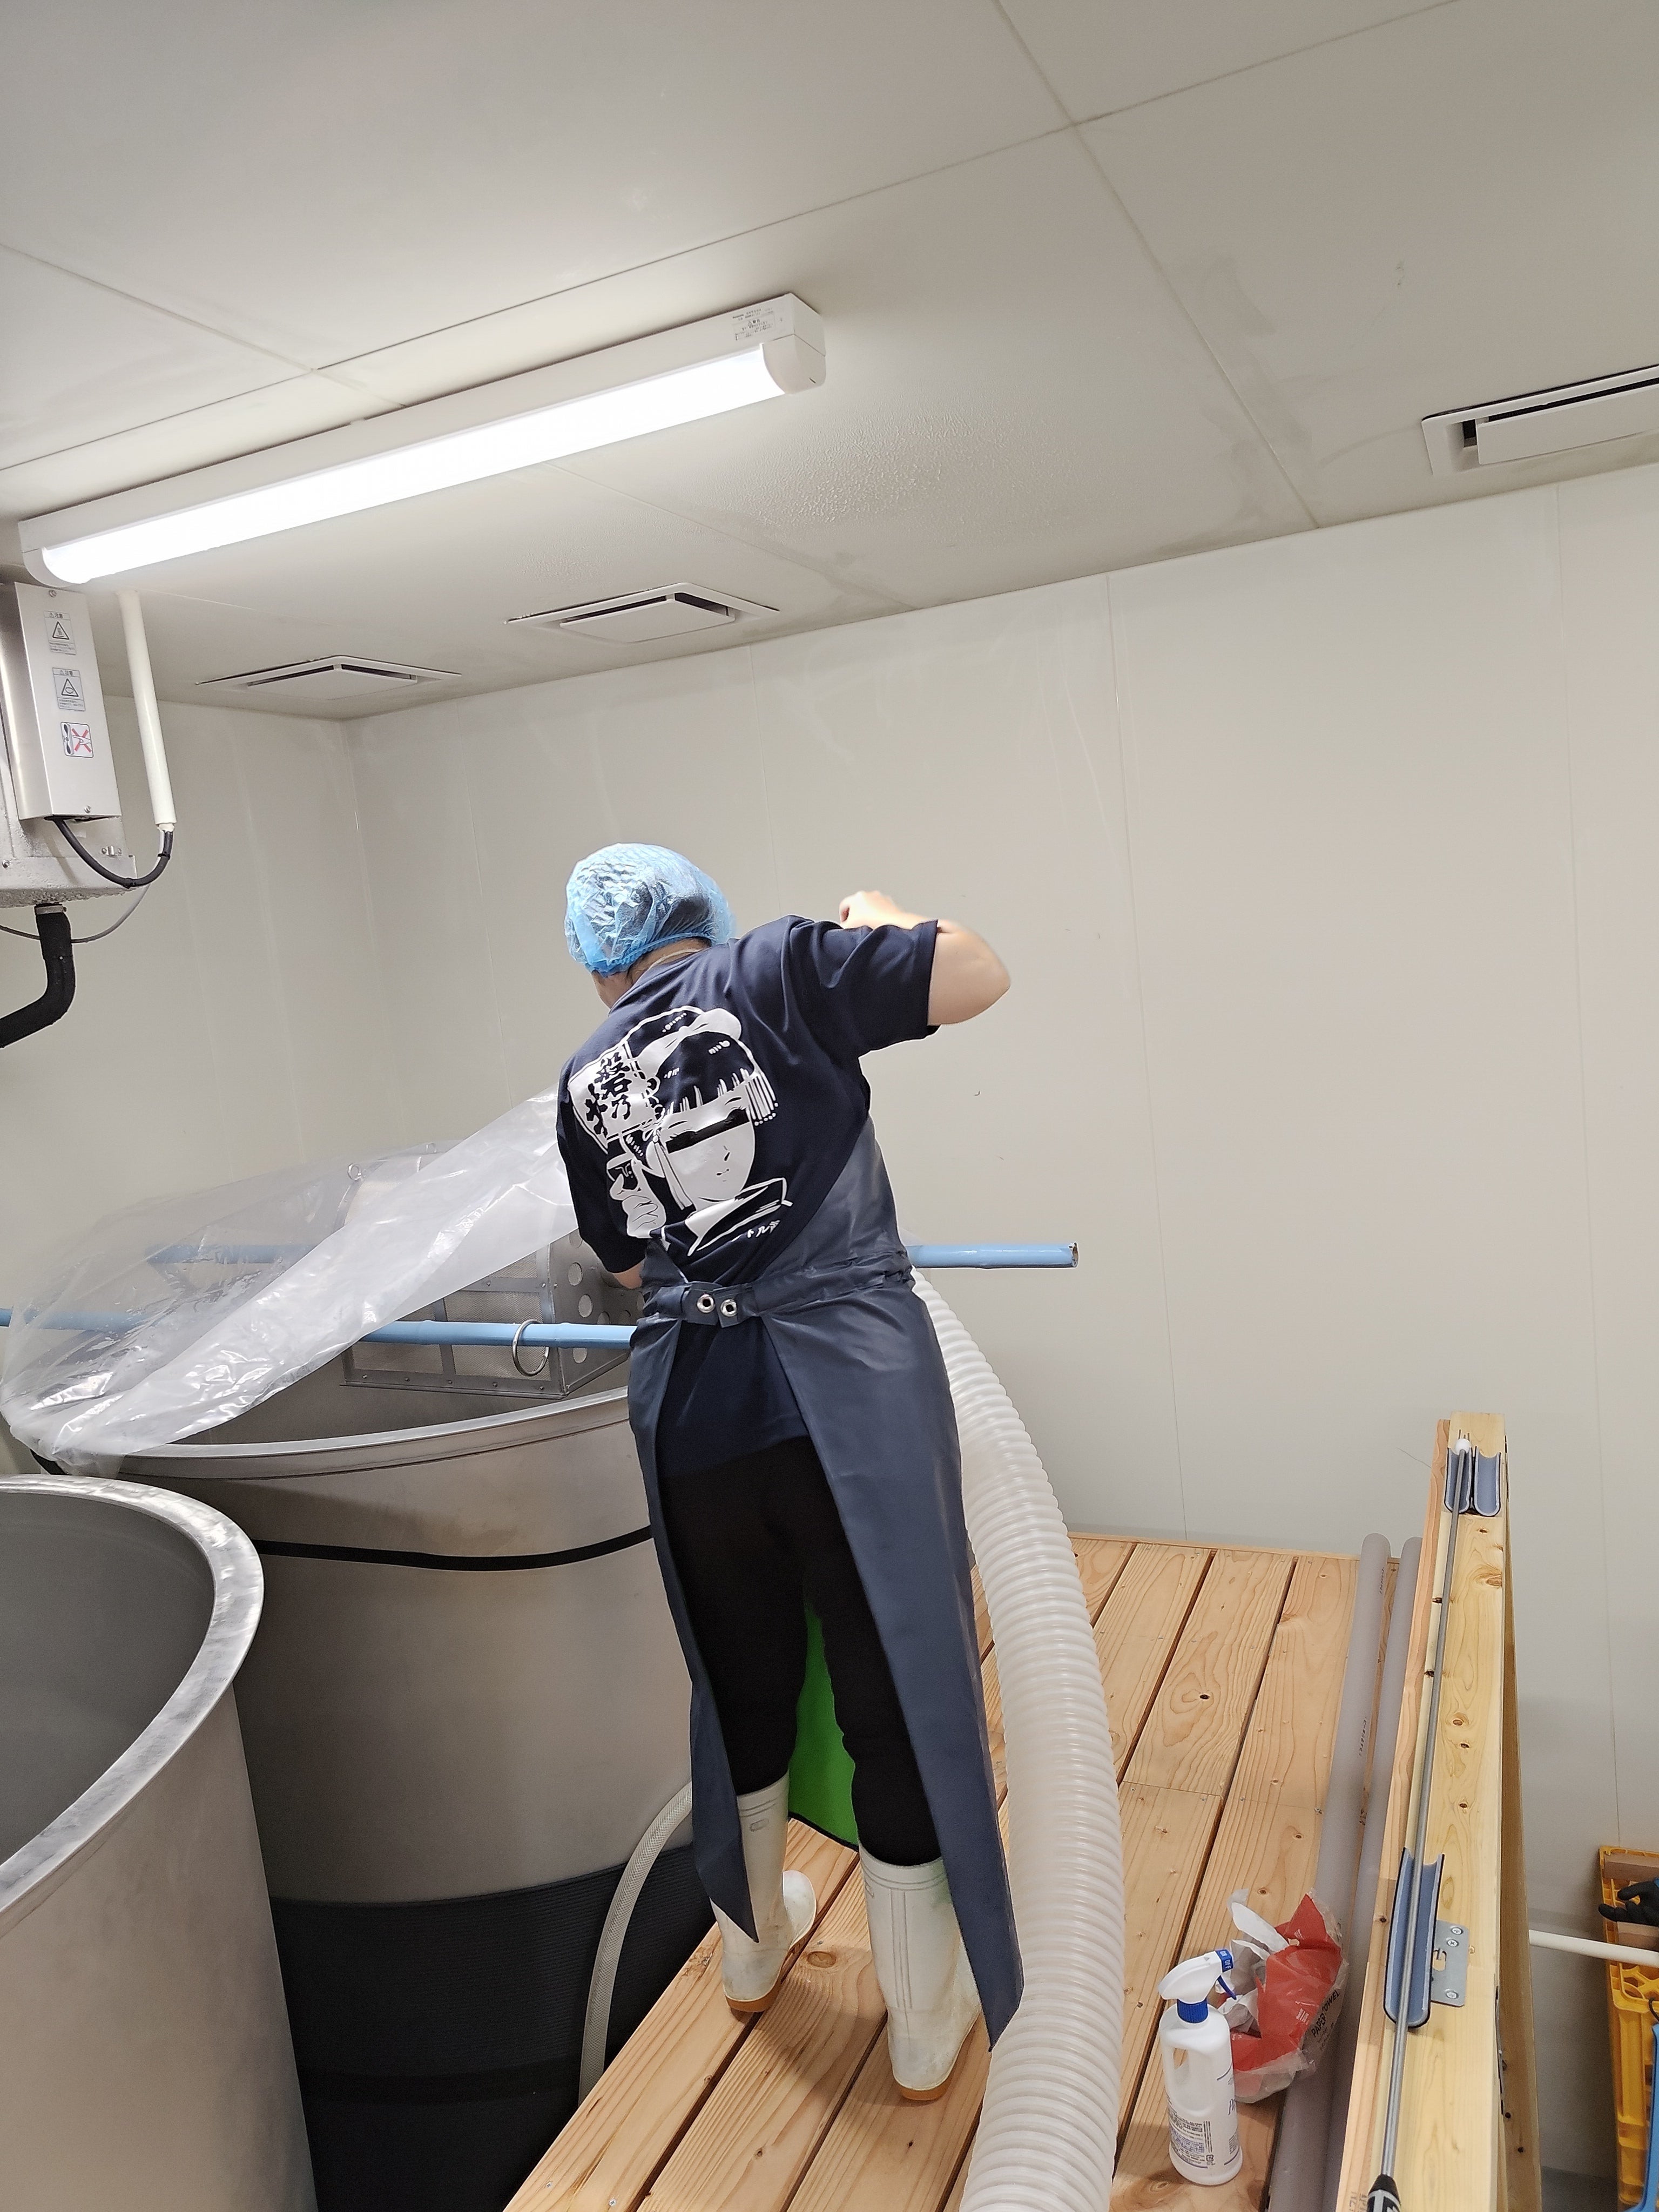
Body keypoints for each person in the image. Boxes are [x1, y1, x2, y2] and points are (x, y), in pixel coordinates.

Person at [556, 842, 1019, 2100]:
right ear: (700, 913)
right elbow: (978, 972)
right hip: (843, 1405)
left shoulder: (589, 1074)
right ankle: (922, 2017)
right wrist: (883, 918)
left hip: (692, 1414)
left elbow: (627, 1263)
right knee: (893, 1686)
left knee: (739, 1680)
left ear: (599, 962)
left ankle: (753, 1951)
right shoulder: (778, 965)